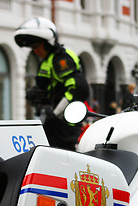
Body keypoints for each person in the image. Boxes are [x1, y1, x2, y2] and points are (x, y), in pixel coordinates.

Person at [14, 17, 89, 151]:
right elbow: (46, 87)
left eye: (37, 46)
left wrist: (55, 112)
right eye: (32, 47)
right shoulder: (46, 61)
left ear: (48, 42)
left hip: (65, 125)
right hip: (50, 124)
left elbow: (78, 89)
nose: (35, 51)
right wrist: (36, 95)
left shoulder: (62, 58)